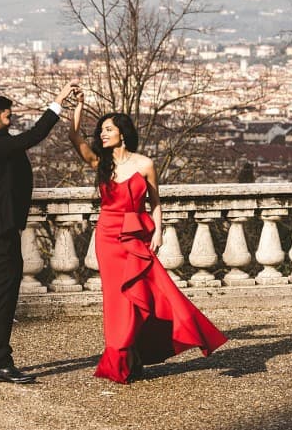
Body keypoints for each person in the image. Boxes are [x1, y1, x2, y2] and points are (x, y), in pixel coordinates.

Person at [68, 90, 228, 383]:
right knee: (117, 299)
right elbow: (74, 136)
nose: (102, 134)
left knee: (151, 293)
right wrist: (78, 107)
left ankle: (137, 350)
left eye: (108, 129)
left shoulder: (145, 165)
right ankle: (123, 355)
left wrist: (159, 233)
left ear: (122, 133)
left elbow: (156, 203)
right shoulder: (100, 163)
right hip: (107, 237)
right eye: (101, 130)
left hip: (135, 237)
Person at [0, 83, 77, 384]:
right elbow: (35, 136)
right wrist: (58, 102)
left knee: (0, 295)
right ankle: (1, 361)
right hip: (0, 231)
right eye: (7, 117)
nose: (10, 121)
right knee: (5, 295)